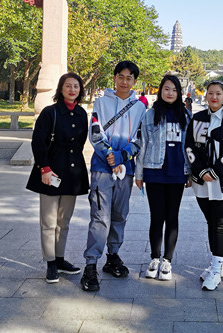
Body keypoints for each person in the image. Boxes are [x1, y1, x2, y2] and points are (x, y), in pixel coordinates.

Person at [81, 60, 146, 292]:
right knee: (100, 217)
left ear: (134, 81)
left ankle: (113, 256)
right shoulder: (101, 102)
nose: (124, 82)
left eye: (129, 78)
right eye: (121, 77)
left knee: (120, 215)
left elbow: (140, 137)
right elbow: (95, 131)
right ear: (114, 78)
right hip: (102, 168)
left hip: (125, 170)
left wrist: (122, 156)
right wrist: (110, 154)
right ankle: (91, 265)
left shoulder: (140, 107)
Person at [26, 72, 89, 284]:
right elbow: (38, 142)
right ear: (61, 88)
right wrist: (44, 168)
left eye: (76, 86)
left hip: (72, 174)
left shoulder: (81, 113)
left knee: (64, 221)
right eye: (68, 85)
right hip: (50, 173)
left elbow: (79, 143)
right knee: (49, 221)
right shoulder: (49, 112)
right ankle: (50, 263)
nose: (72, 90)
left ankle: (60, 259)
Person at [186, 80, 223, 291]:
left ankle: (216, 269)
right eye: (210, 93)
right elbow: (189, 146)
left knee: (219, 223)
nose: (214, 97)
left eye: (218, 93)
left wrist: (216, 171)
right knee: (211, 222)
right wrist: (201, 171)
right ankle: (216, 264)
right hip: (202, 181)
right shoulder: (197, 118)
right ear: (206, 95)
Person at [135, 75, 191, 281]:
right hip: (154, 171)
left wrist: (190, 172)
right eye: (166, 89)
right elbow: (142, 144)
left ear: (179, 93)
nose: (170, 93)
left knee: (172, 217)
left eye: (174, 90)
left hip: (177, 173)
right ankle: (154, 258)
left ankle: (167, 260)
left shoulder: (186, 115)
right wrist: (139, 173)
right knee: (157, 217)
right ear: (160, 91)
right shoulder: (150, 114)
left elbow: (190, 146)